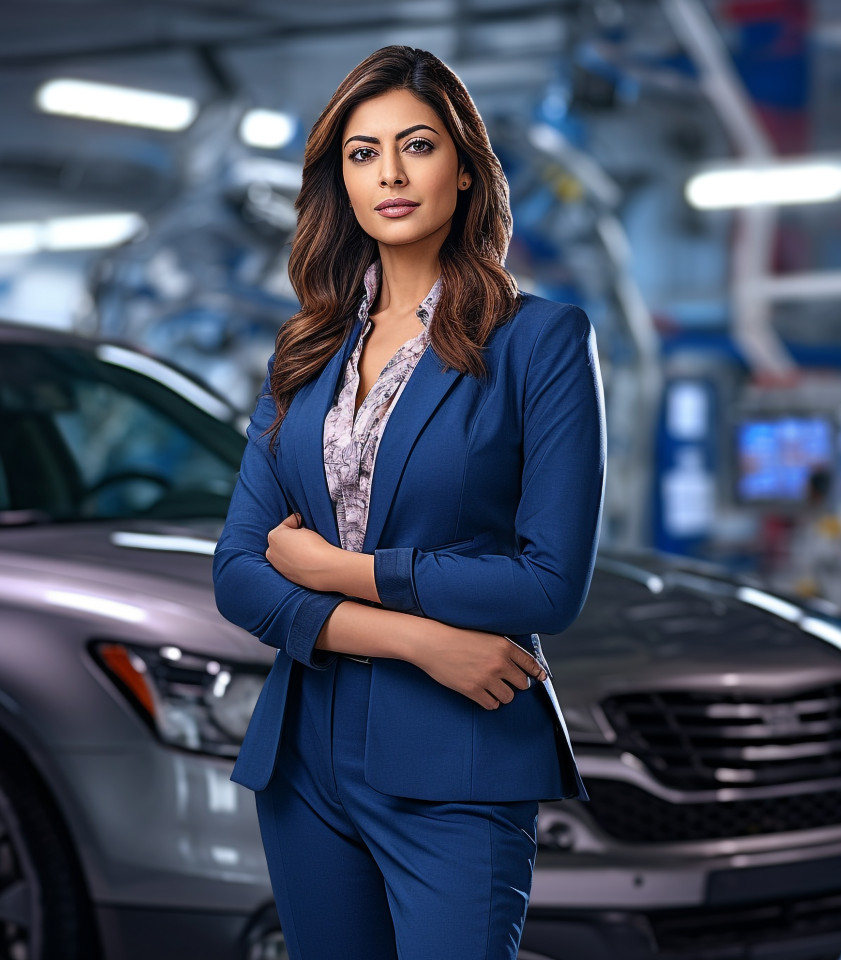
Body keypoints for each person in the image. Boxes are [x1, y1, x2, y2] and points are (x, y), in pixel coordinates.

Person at [213, 44, 606, 960]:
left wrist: (336, 571)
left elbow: (548, 587)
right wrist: (419, 639)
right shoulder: (304, 350)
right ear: (340, 182)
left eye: (417, 146)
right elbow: (238, 572)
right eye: (363, 153)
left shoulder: (539, 342)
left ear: (464, 170)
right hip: (304, 759)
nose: (390, 174)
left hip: (457, 758)